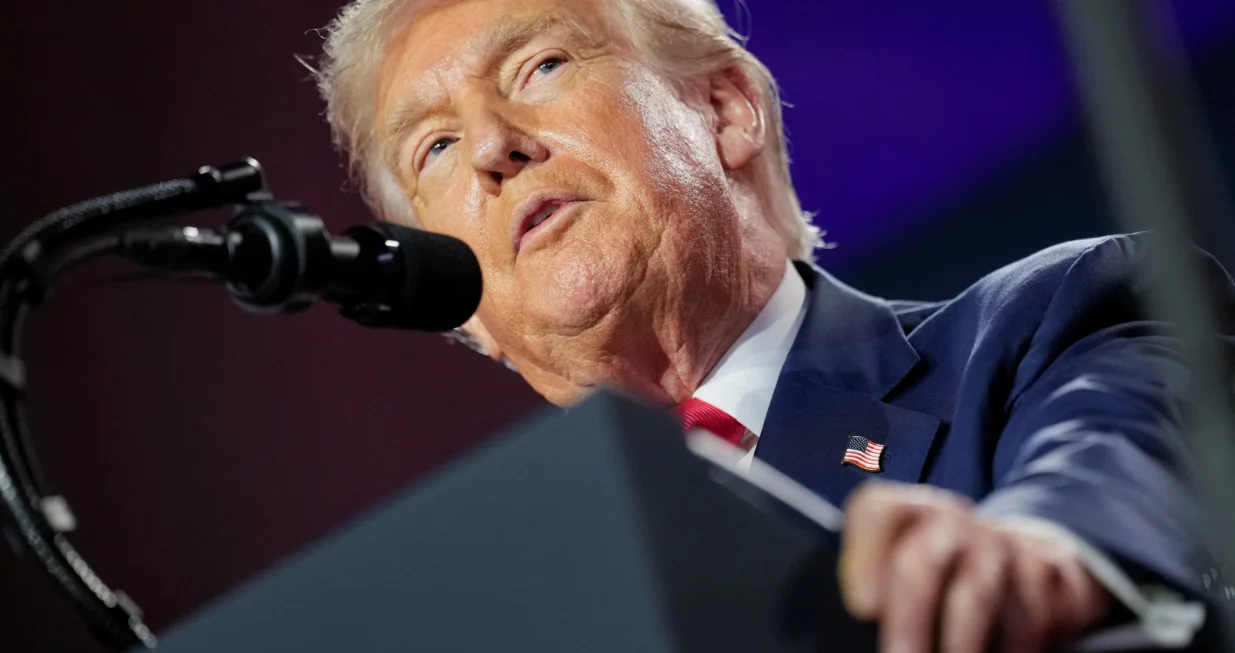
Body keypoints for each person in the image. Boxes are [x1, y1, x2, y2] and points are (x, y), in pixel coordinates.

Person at [313, 0, 1234, 651]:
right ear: (464, 316)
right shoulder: (501, 615)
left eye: (540, 67)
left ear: (724, 109)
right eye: (432, 147)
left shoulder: (1051, 319)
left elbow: (1111, 467)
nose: (488, 149)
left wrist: (1043, 559)